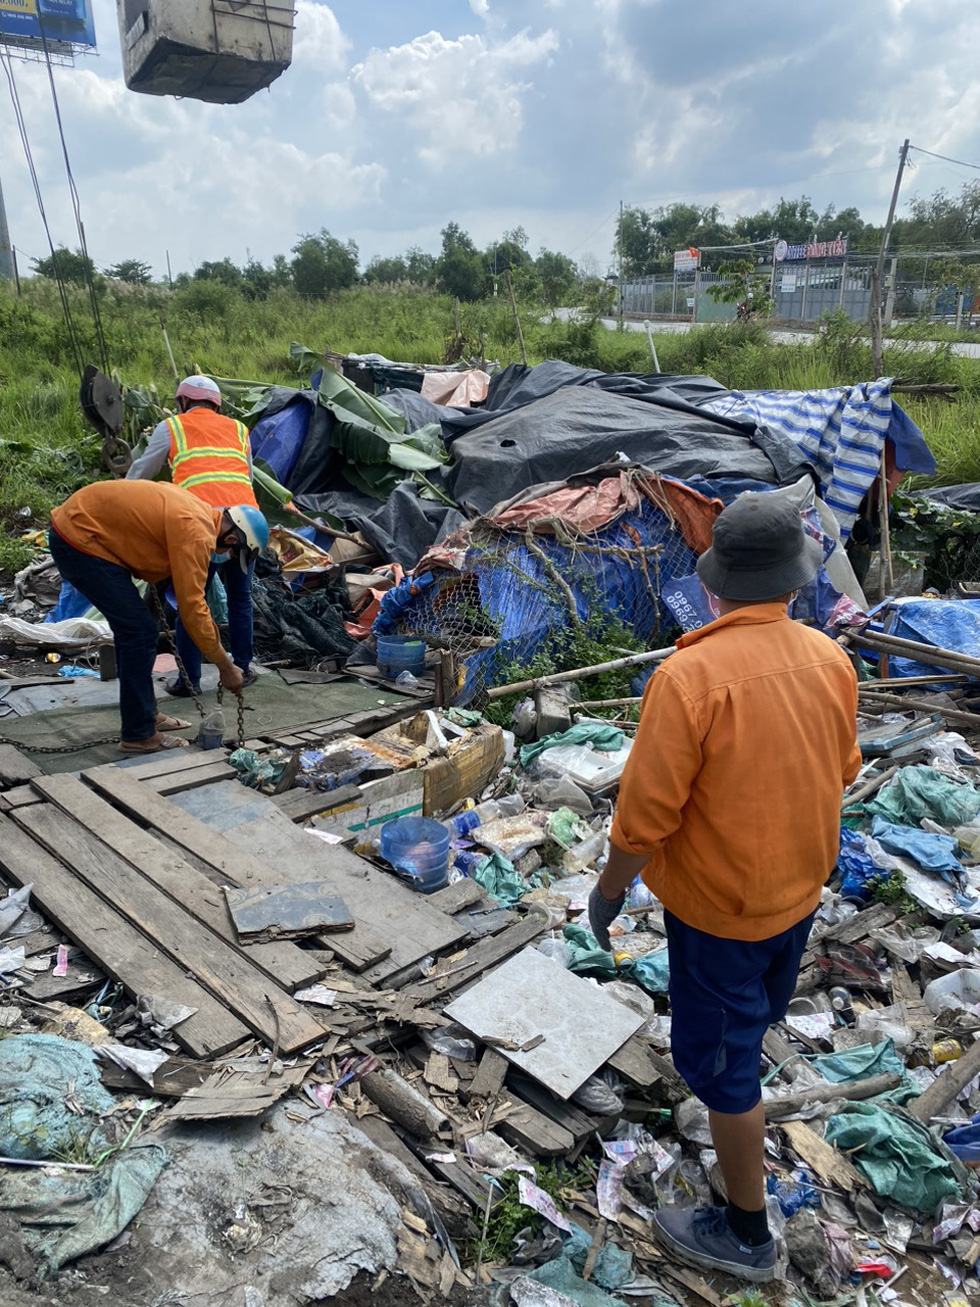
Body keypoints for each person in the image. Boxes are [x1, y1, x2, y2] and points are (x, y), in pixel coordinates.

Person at [588, 494, 861, 1284]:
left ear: (715, 585)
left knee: (724, 1069)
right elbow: (840, 771)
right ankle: (739, 1147)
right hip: (796, 896)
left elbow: (643, 820)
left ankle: (745, 1231)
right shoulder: (829, 657)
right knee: (751, 1026)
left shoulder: (689, 675)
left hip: (720, 914)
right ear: (792, 580)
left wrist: (609, 892)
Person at [49, 480, 268, 755]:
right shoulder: (197, 534)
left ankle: (145, 715)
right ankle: (138, 734)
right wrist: (225, 665)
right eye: (231, 552)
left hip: (85, 529)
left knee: (140, 630)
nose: (224, 555)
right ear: (233, 539)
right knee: (138, 633)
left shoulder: (199, 513)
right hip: (79, 539)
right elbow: (193, 609)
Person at [127, 374, 261, 698]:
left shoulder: (172, 428)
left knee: (192, 600)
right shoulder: (239, 429)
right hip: (246, 524)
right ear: (215, 404)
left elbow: (139, 473)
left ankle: (190, 680)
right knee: (241, 598)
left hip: (203, 526)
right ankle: (242, 667)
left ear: (183, 402)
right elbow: (249, 477)